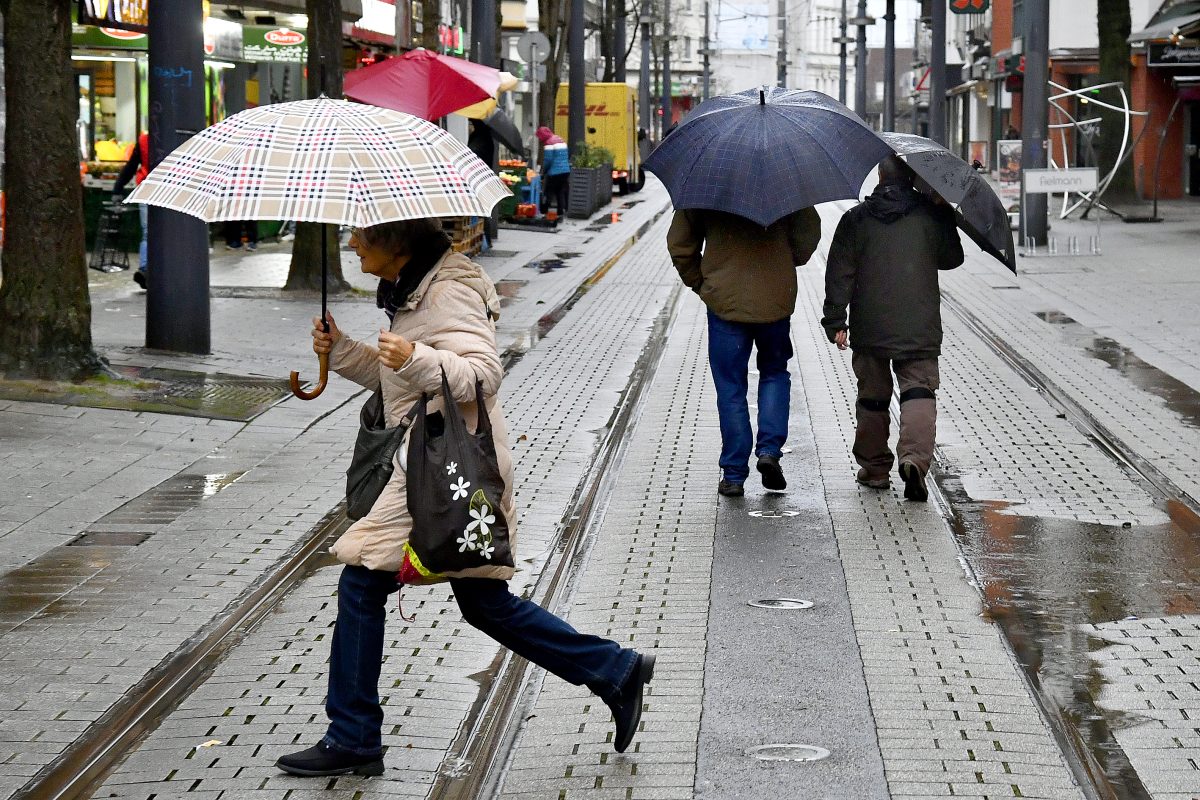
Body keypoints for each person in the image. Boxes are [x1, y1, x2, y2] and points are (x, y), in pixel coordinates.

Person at [275, 218, 655, 778]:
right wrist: (348, 351)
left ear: (397, 240)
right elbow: (400, 382)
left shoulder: (447, 290)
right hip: (433, 467)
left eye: (361, 235)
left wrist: (413, 358)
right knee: (483, 605)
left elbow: (481, 375)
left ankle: (353, 736)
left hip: (441, 471)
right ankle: (615, 669)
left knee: (361, 582)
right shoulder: (413, 291)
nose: (351, 243)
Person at [820, 155, 964, 502]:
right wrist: (944, 212)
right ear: (913, 182)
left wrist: (836, 320)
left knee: (873, 397)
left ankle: (874, 469)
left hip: (871, 325)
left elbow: (840, 272)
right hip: (919, 325)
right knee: (918, 391)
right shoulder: (930, 215)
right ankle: (914, 460)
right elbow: (952, 258)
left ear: (880, 178)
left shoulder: (855, 219)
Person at [667, 207, 822, 497]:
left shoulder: (706, 182)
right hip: (775, 297)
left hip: (725, 301)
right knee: (775, 372)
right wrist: (788, 258)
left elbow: (680, 244)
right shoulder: (786, 177)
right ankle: (769, 451)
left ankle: (734, 474)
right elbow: (808, 232)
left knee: (730, 388)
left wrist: (702, 284)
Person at [112, 131, 149, 289]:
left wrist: (118, 188)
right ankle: (148, 269)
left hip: (146, 187)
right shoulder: (173, 136)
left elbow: (131, 166)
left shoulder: (144, 140)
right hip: (167, 188)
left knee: (148, 231)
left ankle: (145, 268)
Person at [536, 126, 569, 218]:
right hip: (565, 171)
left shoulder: (549, 143)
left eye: (540, 137)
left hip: (555, 172)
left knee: (548, 191)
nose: (540, 139)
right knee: (560, 191)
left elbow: (548, 160)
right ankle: (560, 211)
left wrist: (544, 171)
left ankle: (544, 210)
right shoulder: (560, 139)